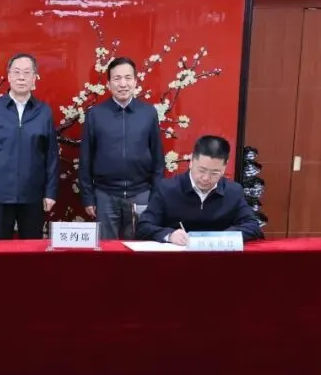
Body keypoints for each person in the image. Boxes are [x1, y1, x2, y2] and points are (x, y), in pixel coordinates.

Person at [0, 53, 59, 239]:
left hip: (33, 194)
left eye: (27, 73)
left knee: (32, 248)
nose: (21, 77)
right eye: (17, 72)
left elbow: (51, 156)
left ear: (34, 78)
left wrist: (50, 192)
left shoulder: (44, 111)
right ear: (9, 76)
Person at [79, 57, 164, 239]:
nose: (123, 84)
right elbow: (86, 159)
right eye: (117, 79)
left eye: (127, 78)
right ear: (109, 84)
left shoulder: (148, 113)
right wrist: (88, 197)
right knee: (106, 249)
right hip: (105, 194)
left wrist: (155, 195)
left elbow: (158, 157)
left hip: (141, 194)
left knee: (138, 248)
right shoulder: (95, 114)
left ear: (135, 81)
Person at [135, 135, 264, 245]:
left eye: (215, 173)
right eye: (201, 170)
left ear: (224, 168)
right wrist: (169, 235)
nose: (206, 178)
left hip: (218, 259)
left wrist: (224, 237)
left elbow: (253, 226)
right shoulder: (167, 188)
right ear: (191, 161)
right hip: (178, 259)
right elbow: (143, 227)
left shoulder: (233, 191)